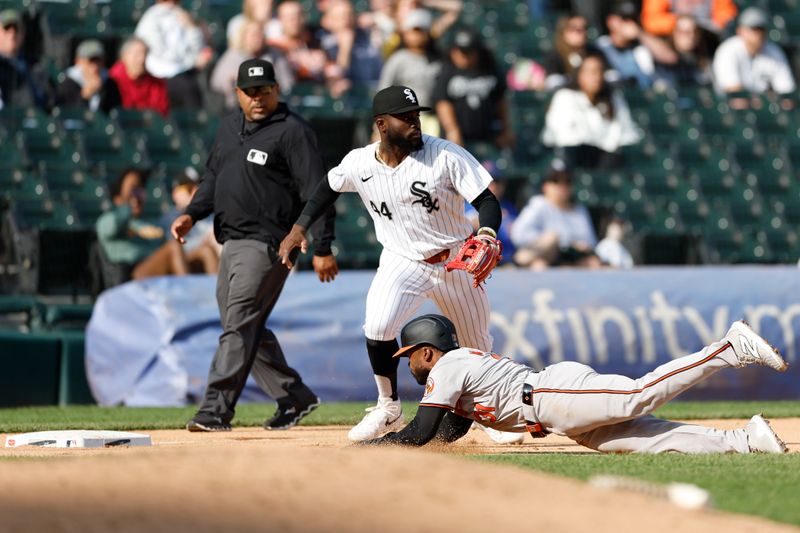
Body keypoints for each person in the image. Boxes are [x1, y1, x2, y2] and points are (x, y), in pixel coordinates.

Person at [277, 85, 522, 444]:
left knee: (476, 344)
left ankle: (486, 411)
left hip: (454, 259)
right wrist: (300, 229)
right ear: (382, 124)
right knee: (377, 325)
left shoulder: (444, 155)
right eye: (405, 118)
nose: (414, 124)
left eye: (416, 116)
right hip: (402, 259)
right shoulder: (360, 163)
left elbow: (487, 200)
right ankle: (388, 406)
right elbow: (326, 188)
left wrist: (485, 233)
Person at [170, 59, 338, 433]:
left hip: (269, 245)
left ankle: (215, 409)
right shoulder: (229, 126)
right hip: (229, 241)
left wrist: (324, 246)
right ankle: (293, 396)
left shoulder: (293, 131)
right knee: (243, 325)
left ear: (276, 90)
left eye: (265, 90)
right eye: (250, 91)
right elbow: (214, 176)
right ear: (238, 94)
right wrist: (192, 213)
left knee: (239, 322)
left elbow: (319, 191)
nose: (258, 98)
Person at [360, 313, 789, 454]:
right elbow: (449, 429)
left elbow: (422, 431)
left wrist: (376, 450)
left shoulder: (447, 367)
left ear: (427, 351)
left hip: (552, 395)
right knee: (649, 440)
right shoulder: (454, 370)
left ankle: (728, 348)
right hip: (555, 416)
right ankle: (746, 440)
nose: (407, 363)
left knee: (637, 396)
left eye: (408, 354)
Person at [541, 51, 642, 169]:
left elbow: (627, 132)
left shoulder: (613, 98)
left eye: (599, 71)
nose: (596, 76)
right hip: (573, 159)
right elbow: (564, 138)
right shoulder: (565, 97)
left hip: (607, 161)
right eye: (590, 71)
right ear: (579, 74)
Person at [96, 168, 193, 281]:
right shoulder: (108, 219)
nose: (137, 195)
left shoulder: (149, 222)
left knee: (205, 251)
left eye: (139, 190)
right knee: (173, 247)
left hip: (158, 271)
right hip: (131, 278)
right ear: (118, 197)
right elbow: (111, 228)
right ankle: (191, 295)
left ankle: (214, 297)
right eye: (132, 189)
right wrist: (127, 205)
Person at [433, 29, 513, 148]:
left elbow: (500, 101)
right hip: (457, 140)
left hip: (487, 139)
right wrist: (452, 130)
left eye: (467, 52)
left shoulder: (490, 69)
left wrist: (505, 129)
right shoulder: (447, 71)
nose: (462, 55)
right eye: (459, 51)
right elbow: (443, 103)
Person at [511, 168, 601, 270]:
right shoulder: (539, 204)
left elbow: (591, 242)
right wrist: (559, 241)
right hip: (546, 256)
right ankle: (519, 263)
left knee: (594, 263)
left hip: (571, 259)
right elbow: (518, 234)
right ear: (545, 186)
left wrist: (579, 246)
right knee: (545, 252)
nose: (562, 186)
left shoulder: (580, 210)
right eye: (556, 181)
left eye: (567, 181)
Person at [134, 0, 213, 109]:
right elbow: (164, 54)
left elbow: (198, 47)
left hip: (184, 74)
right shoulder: (150, 19)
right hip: (159, 77)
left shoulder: (183, 16)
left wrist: (191, 27)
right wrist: (193, 61)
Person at [377, 9, 442, 135]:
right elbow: (383, 93)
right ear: (405, 33)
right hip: (404, 119)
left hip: (434, 119)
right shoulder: (398, 59)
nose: (419, 35)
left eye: (423, 31)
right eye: (415, 30)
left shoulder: (438, 60)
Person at [712, 7, 796, 101]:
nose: (759, 34)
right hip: (731, 110)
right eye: (754, 29)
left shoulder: (774, 51)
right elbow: (734, 94)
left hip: (766, 107)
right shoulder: (728, 50)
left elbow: (787, 92)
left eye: (762, 29)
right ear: (740, 31)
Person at [211, 17, 294, 110]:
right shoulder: (233, 57)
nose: (258, 38)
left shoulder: (274, 54)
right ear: (243, 37)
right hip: (239, 108)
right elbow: (220, 84)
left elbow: (288, 83)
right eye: (253, 35)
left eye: (260, 34)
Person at [595, 2, 678, 88]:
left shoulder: (640, 48)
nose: (630, 23)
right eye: (625, 19)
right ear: (610, 22)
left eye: (633, 19)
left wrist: (640, 34)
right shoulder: (602, 46)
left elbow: (671, 58)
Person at [160, 171, 220, 274]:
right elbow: (174, 247)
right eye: (189, 189)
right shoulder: (169, 219)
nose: (195, 193)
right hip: (186, 260)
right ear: (175, 194)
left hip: (208, 257)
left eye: (199, 188)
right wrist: (202, 240)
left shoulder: (208, 215)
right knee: (207, 250)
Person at [55, 39, 121, 114]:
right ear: (78, 61)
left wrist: (102, 92)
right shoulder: (67, 84)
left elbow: (113, 111)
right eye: (91, 61)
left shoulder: (110, 84)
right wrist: (85, 97)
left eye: (98, 61)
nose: (95, 66)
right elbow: (65, 113)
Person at [108, 37, 170, 116]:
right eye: (137, 54)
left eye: (145, 54)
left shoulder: (157, 83)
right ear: (124, 56)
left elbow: (161, 112)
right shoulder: (113, 81)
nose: (141, 59)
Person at [0, 8, 48, 109]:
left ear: (23, 34)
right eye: (7, 29)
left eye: (16, 29)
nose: (12, 35)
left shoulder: (34, 66)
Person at [655, 14, 714, 89]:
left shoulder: (706, 59)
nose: (691, 36)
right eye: (686, 32)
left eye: (695, 32)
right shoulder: (663, 61)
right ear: (675, 33)